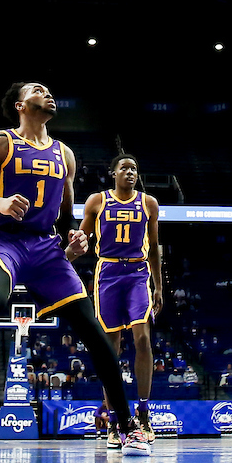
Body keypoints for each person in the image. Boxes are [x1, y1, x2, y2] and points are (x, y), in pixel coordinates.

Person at [0, 82, 149, 455]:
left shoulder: (64, 154)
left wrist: (74, 238)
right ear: (20, 105)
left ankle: (126, 425)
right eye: (39, 90)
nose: (49, 94)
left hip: (46, 248)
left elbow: (67, 212)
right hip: (4, 240)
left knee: (95, 332)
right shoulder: (1, 142)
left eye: (50, 91)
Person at [80, 153, 163, 445]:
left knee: (142, 339)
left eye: (134, 168)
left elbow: (154, 248)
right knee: (109, 348)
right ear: (112, 173)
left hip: (139, 273)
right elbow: (81, 240)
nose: (130, 172)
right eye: (125, 168)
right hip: (108, 272)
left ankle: (143, 412)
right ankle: (114, 420)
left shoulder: (148, 203)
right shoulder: (97, 201)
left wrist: (159, 286)